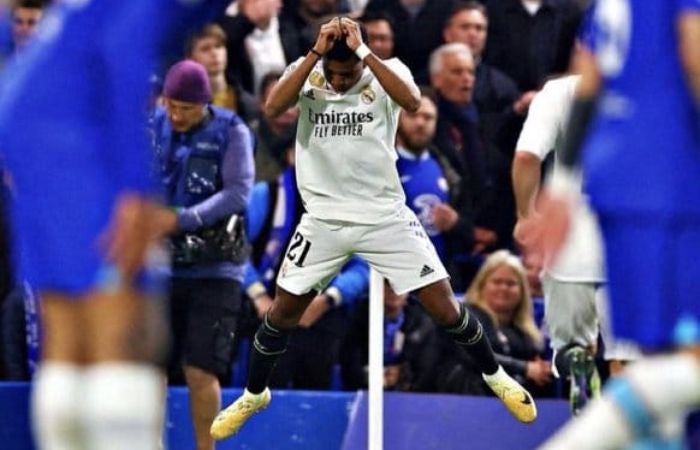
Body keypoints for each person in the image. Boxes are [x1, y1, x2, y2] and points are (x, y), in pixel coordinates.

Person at [209, 16, 537, 442]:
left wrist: (364, 52)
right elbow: (273, 108)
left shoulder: (387, 71)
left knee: (445, 308)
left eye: (349, 75)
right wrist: (315, 56)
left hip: (385, 215)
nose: (341, 81)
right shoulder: (308, 74)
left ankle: (496, 376)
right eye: (335, 73)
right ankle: (255, 393)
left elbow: (414, 102)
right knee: (281, 315)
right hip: (325, 219)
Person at [0, 1, 229, 449]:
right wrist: (134, 190)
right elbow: (121, 62)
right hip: (72, 126)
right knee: (119, 321)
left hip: (36, 110)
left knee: (68, 329)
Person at [519, 1, 700, 448]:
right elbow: (694, 60)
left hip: (617, 188)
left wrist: (560, 187)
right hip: (673, 186)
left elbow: (588, 77)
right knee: (672, 362)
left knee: (659, 358)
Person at [512, 73, 639, 415]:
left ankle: (578, 363)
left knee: (572, 348)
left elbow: (526, 158)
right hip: (630, 237)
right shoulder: (652, 85)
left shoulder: (556, 92)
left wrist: (525, 215)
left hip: (568, 234)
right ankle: (625, 429)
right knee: (627, 358)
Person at [151, 59, 254, 450]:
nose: (176, 115)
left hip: (215, 268)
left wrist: (183, 219)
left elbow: (239, 190)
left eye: (186, 109)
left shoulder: (231, 131)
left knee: (200, 369)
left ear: (205, 105)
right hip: (159, 267)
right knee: (150, 368)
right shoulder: (151, 128)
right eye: (171, 106)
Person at [436, 250, 553, 397]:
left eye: (511, 284)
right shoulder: (465, 316)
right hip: (468, 400)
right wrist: (524, 368)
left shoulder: (525, 330)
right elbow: (472, 355)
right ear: (482, 285)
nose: (503, 288)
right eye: (497, 282)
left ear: (522, 291)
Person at [185, 23, 257, 121]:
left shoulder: (248, 103)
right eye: (205, 49)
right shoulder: (184, 106)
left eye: (218, 46)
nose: (214, 53)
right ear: (190, 59)